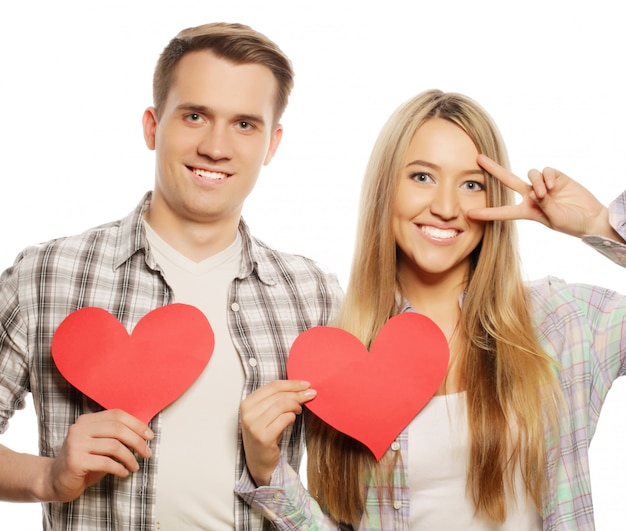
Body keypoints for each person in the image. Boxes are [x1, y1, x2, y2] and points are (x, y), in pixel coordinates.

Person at [0, 22, 342, 530]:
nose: (216, 146)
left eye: (245, 124)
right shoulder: (46, 275)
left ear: (272, 144)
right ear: (153, 125)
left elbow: (352, 501)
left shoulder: (312, 296)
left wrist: (272, 475)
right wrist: (48, 477)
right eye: (196, 115)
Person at [236, 89, 626, 530]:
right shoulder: (342, 352)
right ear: (387, 188)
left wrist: (599, 225)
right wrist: (270, 474)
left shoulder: (561, 321)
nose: (445, 208)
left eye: (471, 185)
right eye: (422, 177)